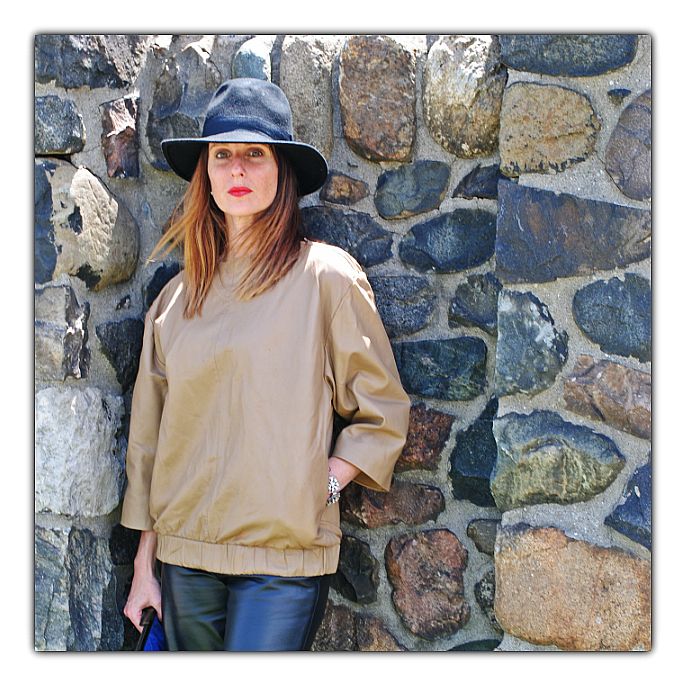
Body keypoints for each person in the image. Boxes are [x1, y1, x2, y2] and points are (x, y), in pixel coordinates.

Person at [121, 78, 411, 652]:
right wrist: (143, 567)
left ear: (282, 171)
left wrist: (320, 487)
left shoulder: (326, 278)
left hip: (283, 561)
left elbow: (382, 412)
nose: (237, 168)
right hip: (185, 558)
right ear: (205, 174)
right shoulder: (175, 300)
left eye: (255, 153)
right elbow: (150, 442)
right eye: (222, 154)